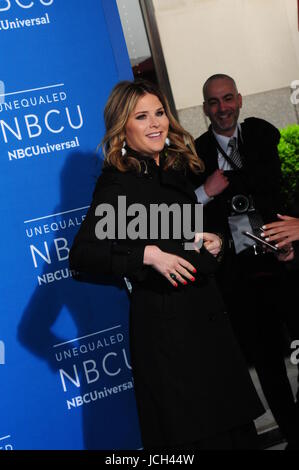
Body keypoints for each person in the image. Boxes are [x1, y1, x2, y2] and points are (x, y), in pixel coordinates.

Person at [69, 79, 264, 450]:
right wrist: (147, 255)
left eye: (159, 113)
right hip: (172, 346)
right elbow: (82, 253)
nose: (156, 123)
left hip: (207, 328)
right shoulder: (119, 183)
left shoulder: (172, 170)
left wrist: (215, 242)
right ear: (122, 127)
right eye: (142, 117)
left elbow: (191, 238)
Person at [192, 73, 299, 449]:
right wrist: (207, 191)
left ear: (239, 99)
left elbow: (272, 187)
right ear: (205, 108)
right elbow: (181, 212)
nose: (222, 108)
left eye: (227, 99)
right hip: (239, 279)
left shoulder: (261, 134)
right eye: (213, 102)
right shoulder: (197, 153)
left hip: (282, 259)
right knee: (269, 366)